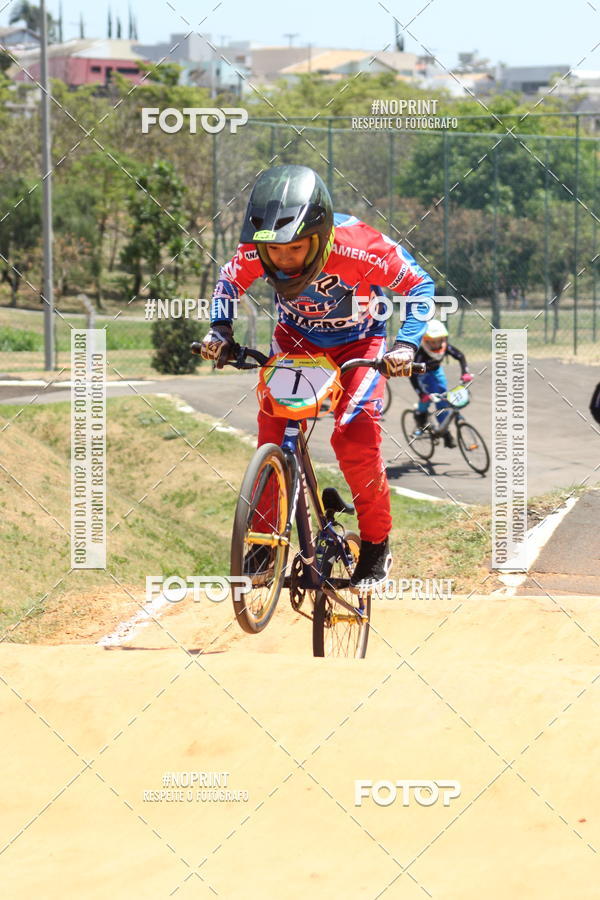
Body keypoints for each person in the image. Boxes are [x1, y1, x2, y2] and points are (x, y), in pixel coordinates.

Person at [200, 164, 434, 591]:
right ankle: (266, 541)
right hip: (296, 343)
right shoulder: (258, 248)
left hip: (359, 345)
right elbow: (228, 281)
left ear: (322, 235)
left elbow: (420, 286)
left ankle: (377, 543)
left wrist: (407, 346)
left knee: (355, 436)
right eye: (275, 252)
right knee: (273, 432)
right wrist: (220, 331)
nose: (284, 261)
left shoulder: (363, 247)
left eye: (295, 249)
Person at [409, 320, 473, 449]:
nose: (436, 344)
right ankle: (421, 418)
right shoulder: (420, 354)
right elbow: (413, 375)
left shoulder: (445, 346)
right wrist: (421, 394)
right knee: (432, 396)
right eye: (432, 341)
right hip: (423, 375)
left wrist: (465, 373)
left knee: (444, 397)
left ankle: (443, 429)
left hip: (437, 371)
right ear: (425, 340)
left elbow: (460, 356)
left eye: (439, 340)